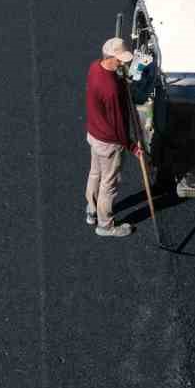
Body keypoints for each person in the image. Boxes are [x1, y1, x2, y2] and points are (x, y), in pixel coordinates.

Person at [85, 37, 136, 238]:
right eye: (120, 60)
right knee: (109, 183)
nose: (123, 63)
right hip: (109, 142)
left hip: (95, 134)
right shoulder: (111, 89)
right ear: (110, 57)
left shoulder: (95, 67)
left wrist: (120, 80)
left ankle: (92, 210)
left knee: (95, 173)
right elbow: (118, 125)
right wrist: (132, 146)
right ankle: (105, 225)